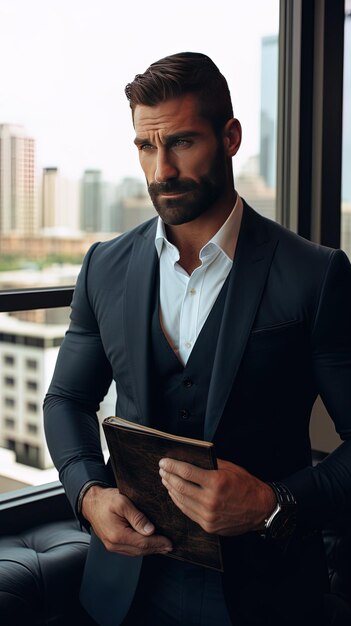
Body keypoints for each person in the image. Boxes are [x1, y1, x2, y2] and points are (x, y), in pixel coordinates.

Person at [44, 52, 351, 626]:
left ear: (230, 137)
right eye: (145, 146)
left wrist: (273, 504)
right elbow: (66, 400)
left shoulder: (316, 274)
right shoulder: (103, 267)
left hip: (268, 596)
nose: (161, 170)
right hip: (124, 591)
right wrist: (88, 493)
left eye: (182, 142)